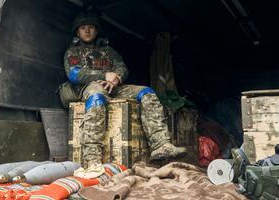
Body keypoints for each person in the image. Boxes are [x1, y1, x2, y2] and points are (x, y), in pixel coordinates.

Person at [59, 12, 187, 178]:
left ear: (97, 30)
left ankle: (160, 144)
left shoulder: (109, 52)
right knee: (97, 97)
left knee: (146, 92)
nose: (87, 31)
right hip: (89, 88)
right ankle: (91, 159)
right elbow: (74, 74)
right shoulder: (72, 52)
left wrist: (116, 79)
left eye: (91, 27)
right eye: (83, 28)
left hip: (114, 87)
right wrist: (103, 76)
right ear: (77, 32)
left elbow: (122, 68)